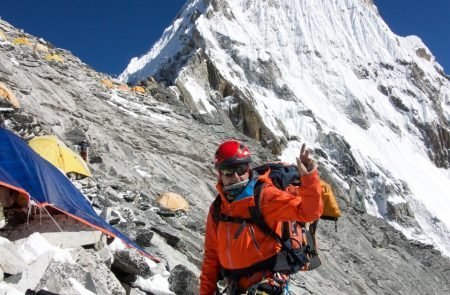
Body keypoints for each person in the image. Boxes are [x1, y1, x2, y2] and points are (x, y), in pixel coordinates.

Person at [200, 140, 323, 295]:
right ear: (220, 174)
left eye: (241, 168)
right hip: (237, 286)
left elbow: (309, 212)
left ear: (248, 168)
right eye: (228, 171)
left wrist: (309, 178)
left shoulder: (264, 196)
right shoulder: (218, 209)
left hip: (267, 283)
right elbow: (211, 256)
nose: (236, 176)